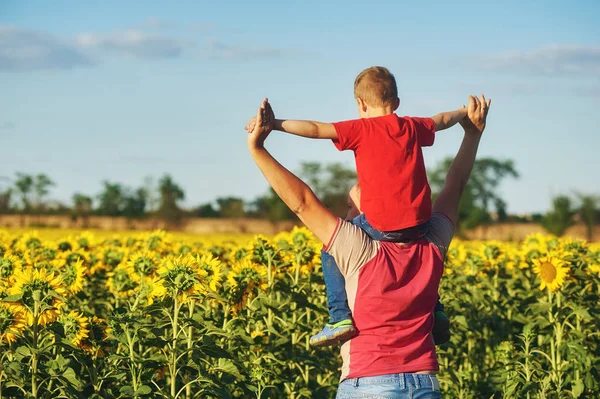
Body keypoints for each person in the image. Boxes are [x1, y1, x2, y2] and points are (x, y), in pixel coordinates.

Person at [245, 93, 490, 398]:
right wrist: (472, 133)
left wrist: (257, 149)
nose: (347, 215)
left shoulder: (358, 250)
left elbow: (302, 203)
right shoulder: (433, 241)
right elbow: (455, 184)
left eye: (349, 207)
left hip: (370, 384)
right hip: (426, 383)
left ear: (365, 212)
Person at [246, 66, 466, 346]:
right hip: (420, 224)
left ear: (361, 103)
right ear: (396, 103)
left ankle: (339, 317)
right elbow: (443, 119)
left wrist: (275, 124)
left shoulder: (360, 129)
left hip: (381, 227)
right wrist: (463, 112)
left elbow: (315, 129)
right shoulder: (412, 125)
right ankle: (435, 308)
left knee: (330, 250)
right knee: (420, 258)